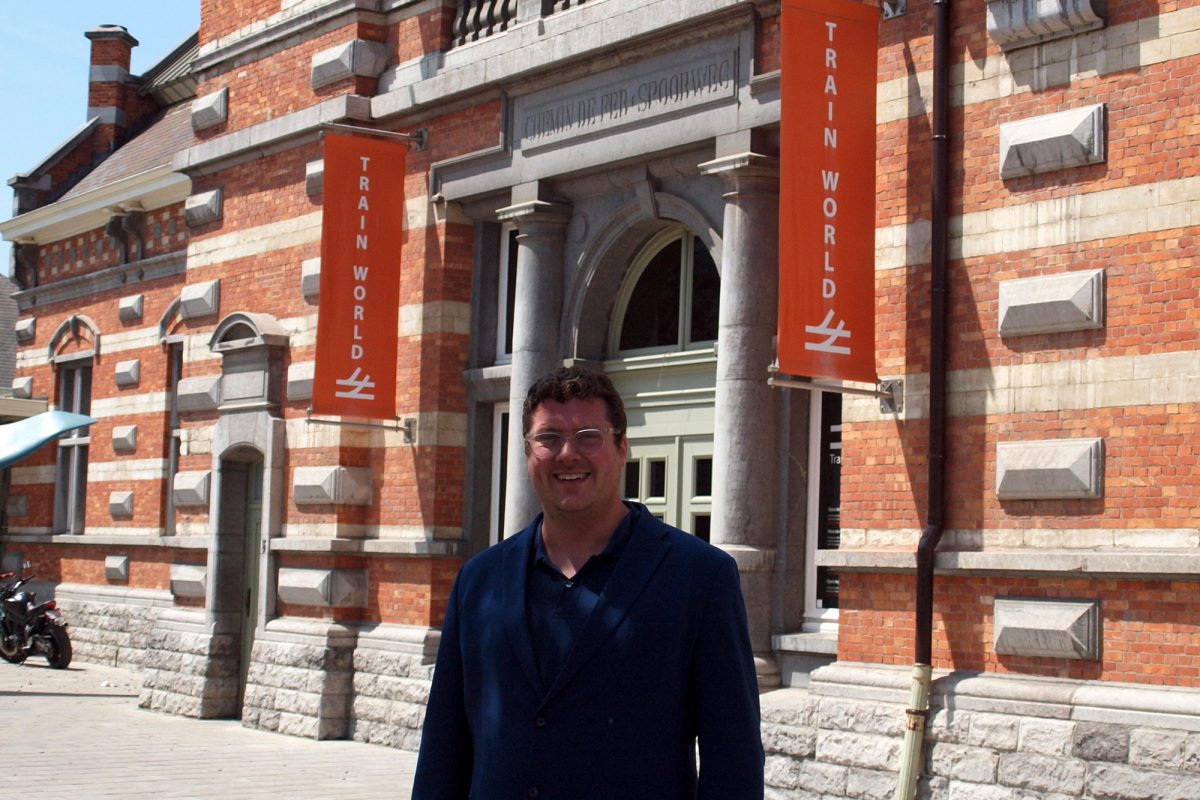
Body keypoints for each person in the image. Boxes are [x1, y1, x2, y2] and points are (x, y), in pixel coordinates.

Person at [412, 366, 764, 800]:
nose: (567, 454)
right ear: (527, 452)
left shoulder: (699, 577)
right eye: (548, 438)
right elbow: (444, 748)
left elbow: (733, 757)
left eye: (588, 437)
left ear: (622, 448)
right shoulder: (479, 580)